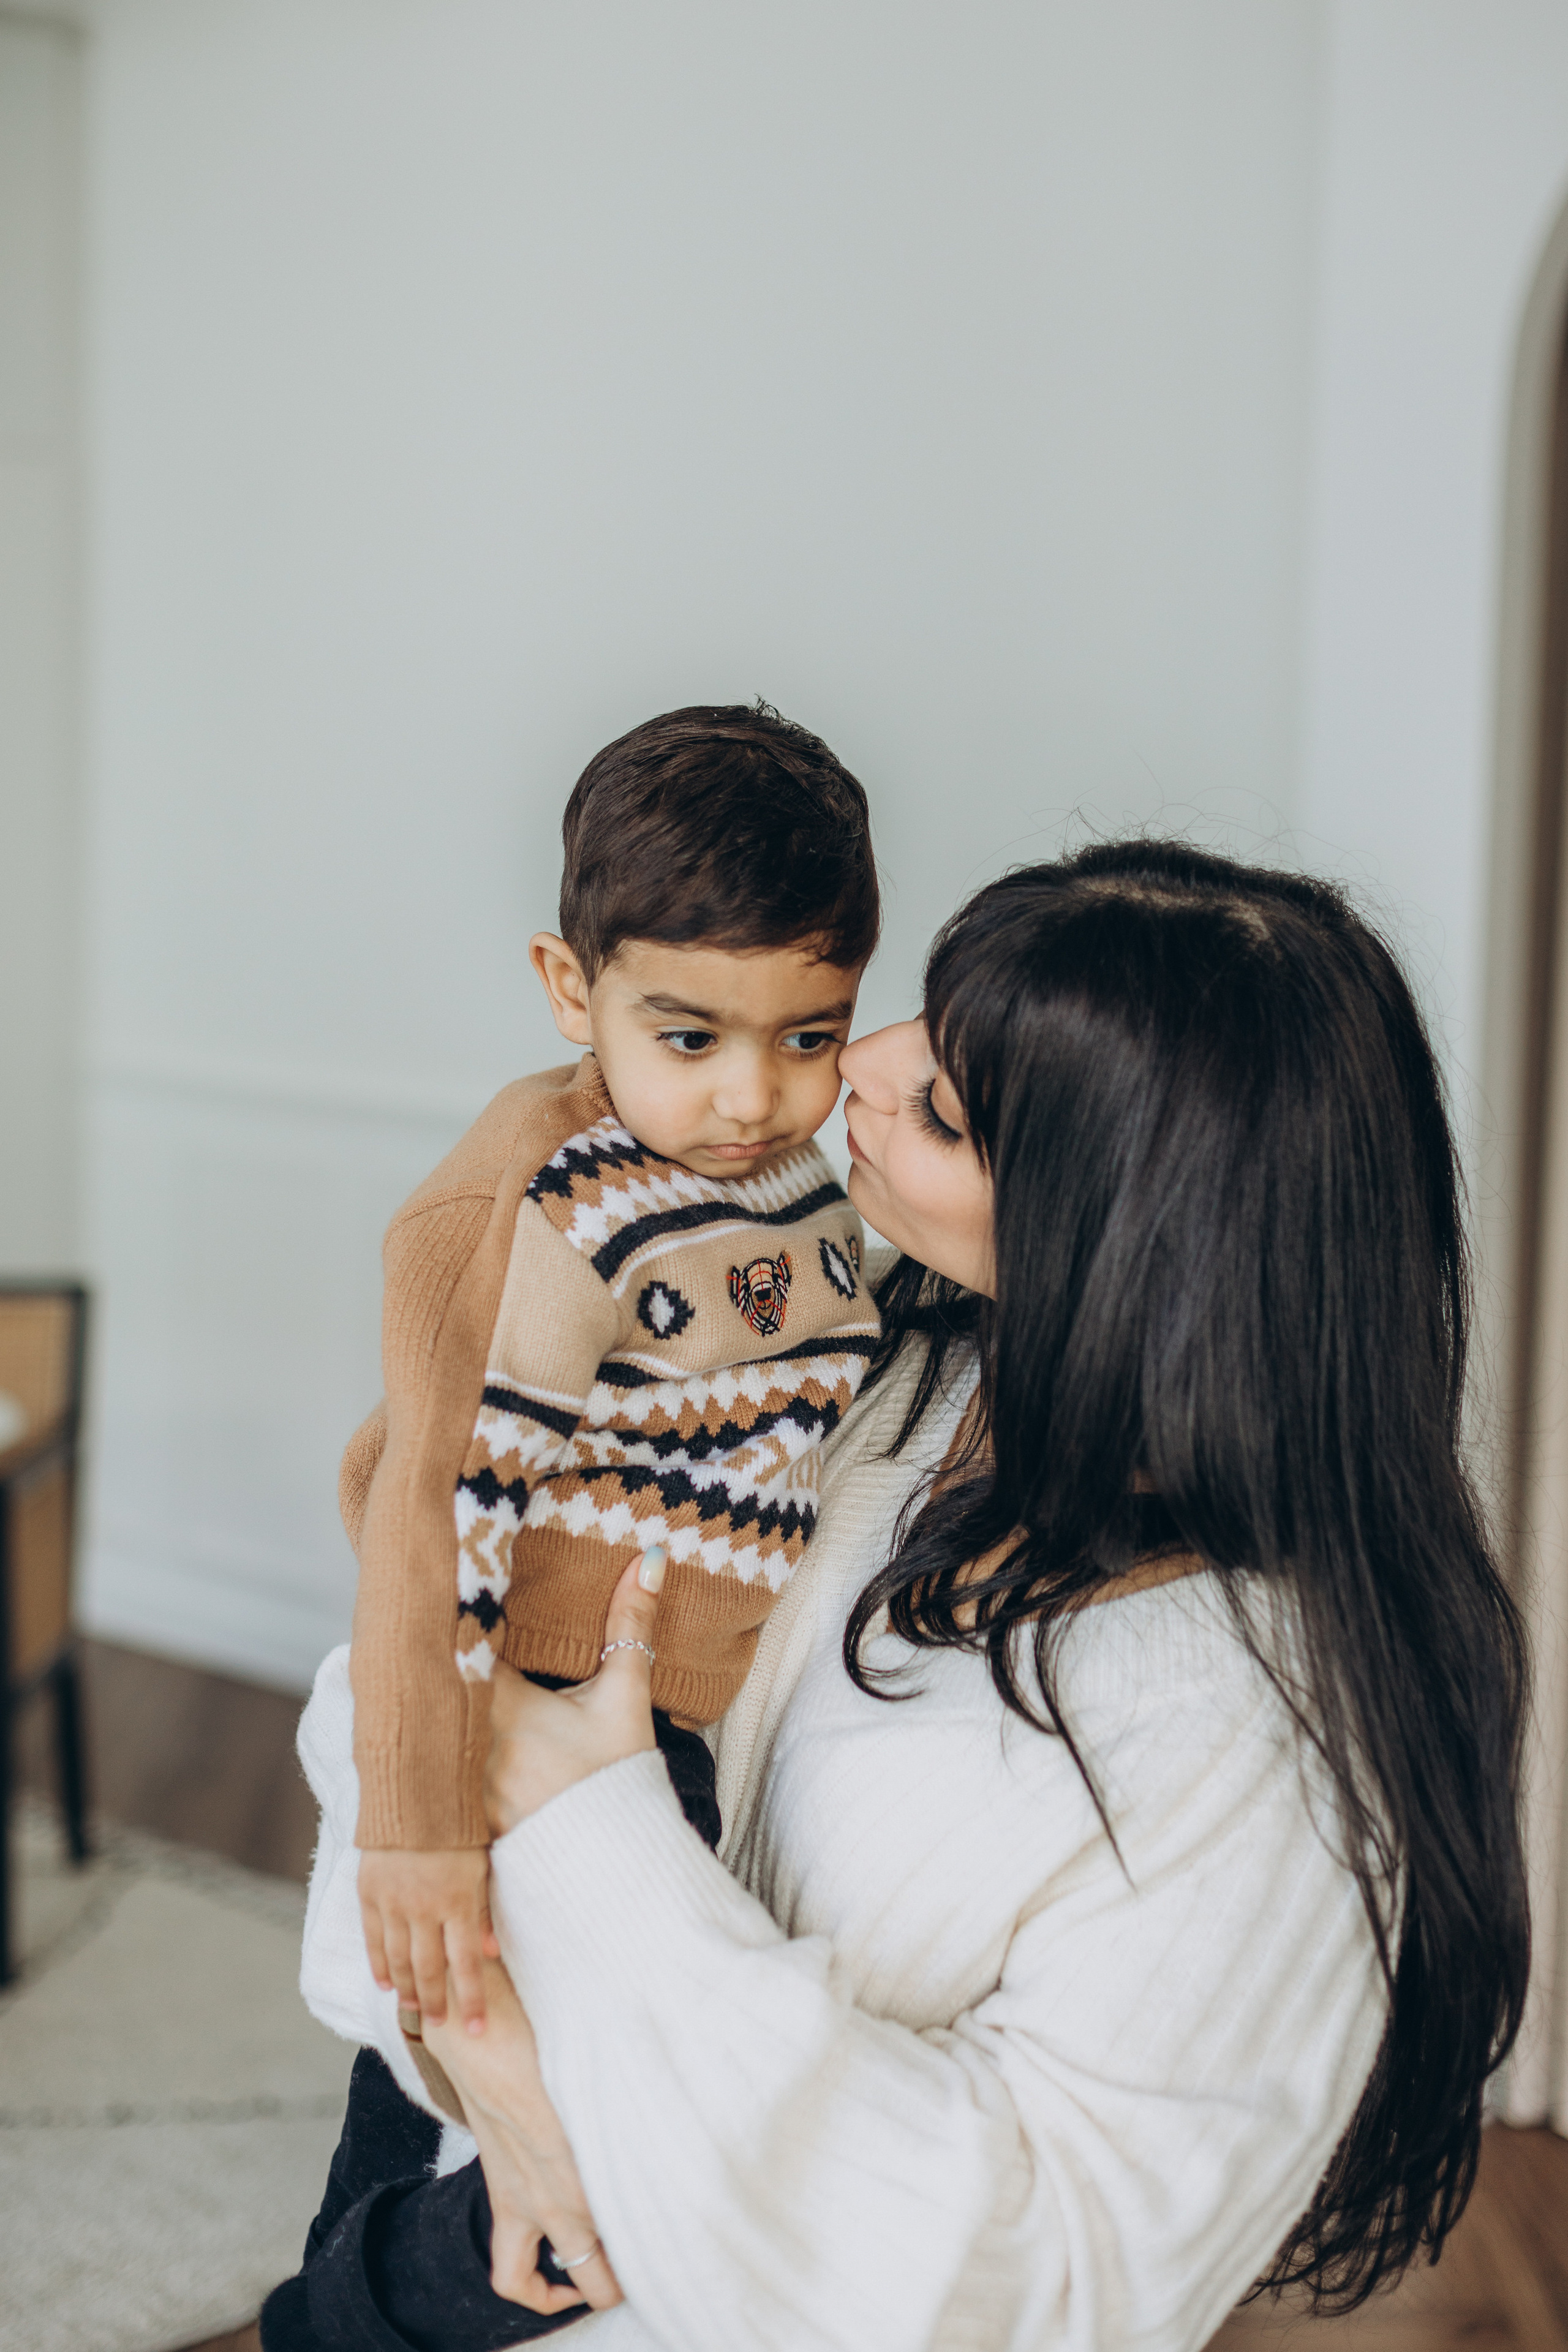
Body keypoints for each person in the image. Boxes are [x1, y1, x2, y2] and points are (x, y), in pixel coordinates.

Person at [273, 840, 1528, 2351]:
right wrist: (500, 2085)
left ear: (1119, 1252)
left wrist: (590, 1832)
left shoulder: (1261, 1759)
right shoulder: (836, 1371)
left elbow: (1024, 2287)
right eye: (917, 1014)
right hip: (432, 2204)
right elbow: (400, 1651)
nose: (846, 1064)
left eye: (939, 1105)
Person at [262, 704, 883, 2342]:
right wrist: (418, 1824)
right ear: (570, 989)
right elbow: (436, 1524)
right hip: (530, 1723)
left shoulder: (793, 1177)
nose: (755, 1095)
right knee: (499, 2140)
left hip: (682, 1723)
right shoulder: (548, 1207)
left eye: (810, 1037)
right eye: (690, 1038)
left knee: (595, 2162)